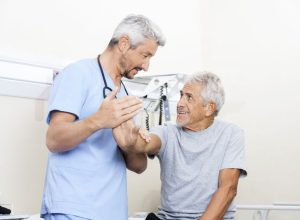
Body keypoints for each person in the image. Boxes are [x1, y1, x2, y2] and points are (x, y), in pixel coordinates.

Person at [40, 14, 166, 220]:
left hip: (113, 211)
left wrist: (130, 145)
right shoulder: (77, 74)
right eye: (145, 55)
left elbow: (139, 166)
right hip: (73, 209)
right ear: (124, 43)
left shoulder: (125, 95)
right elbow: (53, 139)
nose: (146, 66)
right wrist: (98, 120)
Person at [113, 72, 247, 220]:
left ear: (209, 108)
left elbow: (228, 188)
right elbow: (146, 143)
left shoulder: (231, 134)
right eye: (181, 95)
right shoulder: (167, 132)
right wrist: (130, 140)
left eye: (189, 97)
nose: (180, 103)